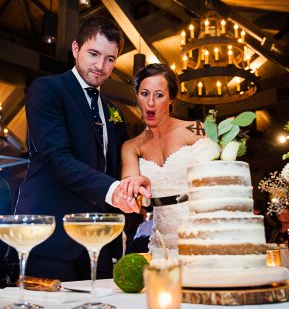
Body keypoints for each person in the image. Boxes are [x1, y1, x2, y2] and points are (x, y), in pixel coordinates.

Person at [18, 16, 150, 281]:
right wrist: (114, 192)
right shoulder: (47, 90)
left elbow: (121, 163)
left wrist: (135, 183)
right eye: (93, 54)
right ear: (76, 48)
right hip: (51, 235)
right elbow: (57, 159)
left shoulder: (114, 111)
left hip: (99, 241)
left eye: (110, 59)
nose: (101, 66)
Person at [120, 63, 205, 260]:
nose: (150, 103)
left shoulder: (195, 129)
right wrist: (133, 192)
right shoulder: (131, 146)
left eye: (159, 95)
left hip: (201, 235)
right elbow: (129, 184)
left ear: (171, 99)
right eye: (144, 94)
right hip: (161, 243)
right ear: (137, 96)